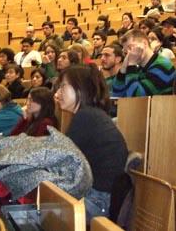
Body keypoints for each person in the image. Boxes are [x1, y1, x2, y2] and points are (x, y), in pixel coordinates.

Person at [54, 64, 128, 222]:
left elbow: (61, 162)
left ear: (80, 88)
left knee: (43, 209)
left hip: (97, 201)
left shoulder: (86, 117)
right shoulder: (91, 114)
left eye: (63, 87)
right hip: (99, 197)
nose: (57, 93)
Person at [112, 29, 176, 97]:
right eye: (125, 51)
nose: (128, 53)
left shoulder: (162, 66)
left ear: (144, 44)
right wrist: (123, 69)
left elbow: (136, 98)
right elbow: (117, 94)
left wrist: (131, 64)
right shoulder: (140, 69)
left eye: (130, 47)